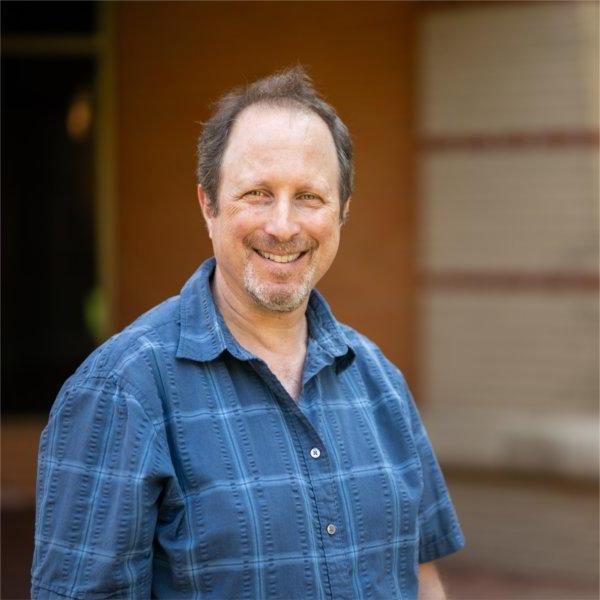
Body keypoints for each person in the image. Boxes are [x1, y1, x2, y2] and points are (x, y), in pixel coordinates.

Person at [32, 66, 464, 600]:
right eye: (257, 193)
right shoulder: (120, 391)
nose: (283, 226)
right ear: (207, 206)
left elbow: (420, 575)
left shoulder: (380, 381)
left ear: (343, 213)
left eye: (309, 196)